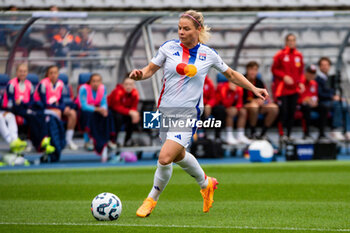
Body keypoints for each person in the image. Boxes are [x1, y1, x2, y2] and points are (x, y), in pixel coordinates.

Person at [129, 10, 268, 218]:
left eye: (186, 29)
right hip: (166, 111)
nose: (181, 32)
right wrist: (140, 75)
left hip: (189, 113)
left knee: (165, 157)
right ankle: (206, 183)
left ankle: (151, 200)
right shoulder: (168, 48)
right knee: (178, 155)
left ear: (198, 30)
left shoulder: (208, 54)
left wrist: (253, 89)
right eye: (179, 28)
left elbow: (230, 74)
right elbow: (149, 70)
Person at [2, 63, 56, 157]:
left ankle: (44, 140)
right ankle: (39, 144)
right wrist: (23, 103)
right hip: (13, 109)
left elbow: (31, 101)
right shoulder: (11, 84)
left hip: (25, 107)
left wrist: (22, 102)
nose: (22, 73)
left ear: (27, 73)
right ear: (16, 72)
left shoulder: (29, 85)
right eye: (20, 71)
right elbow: (12, 103)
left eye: (24, 71)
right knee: (32, 116)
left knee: (41, 115)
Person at [34, 65, 78, 150]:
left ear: (58, 74)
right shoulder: (43, 84)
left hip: (55, 107)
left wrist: (65, 107)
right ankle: (57, 139)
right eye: (51, 73)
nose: (53, 75)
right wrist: (60, 108)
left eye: (55, 73)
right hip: (42, 108)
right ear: (47, 74)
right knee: (57, 112)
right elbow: (44, 103)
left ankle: (69, 140)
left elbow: (60, 100)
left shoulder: (60, 84)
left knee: (72, 113)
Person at [271, 33, 305, 141]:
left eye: (293, 40)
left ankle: (289, 135)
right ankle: (281, 134)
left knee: (292, 112)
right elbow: (274, 69)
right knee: (283, 111)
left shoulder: (299, 55)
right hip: (282, 90)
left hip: (294, 89)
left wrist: (300, 82)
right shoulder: (279, 55)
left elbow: (301, 72)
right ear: (286, 42)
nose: (291, 42)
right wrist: (284, 76)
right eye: (289, 40)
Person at [77, 73, 115, 162]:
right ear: (90, 82)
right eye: (93, 81)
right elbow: (83, 105)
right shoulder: (83, 89)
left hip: (96, 110)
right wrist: (98, 109)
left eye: (98, 81)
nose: (95, 83)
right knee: (89, 115)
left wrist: (104, 110)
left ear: (101, 82)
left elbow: (104, 103)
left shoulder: (103, 88)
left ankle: (107, 139)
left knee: (108, 114)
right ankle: (87, 141)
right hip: (84, 111)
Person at [316, 57, 350, 141]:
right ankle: (336, 129)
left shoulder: (331, 78)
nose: (325, 67)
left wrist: (340, 97)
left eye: (327, 65)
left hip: (332, 100)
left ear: (330, 66)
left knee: (346, 105)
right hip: (323, 101)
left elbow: (335, 91)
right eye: (323, 65)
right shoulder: (317, 79)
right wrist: (332, 97)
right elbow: (319, 93)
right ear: (319, 67)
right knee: (337, 105)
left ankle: (347, 130)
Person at [243, 61, 279, 139]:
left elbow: (265, 97)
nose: (253, 72)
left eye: (255, 70)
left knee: (274, 108)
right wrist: (252, 101)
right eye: (251, 69)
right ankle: (252, 132)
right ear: (247, 70)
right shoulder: (242, 80)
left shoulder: (259, 82)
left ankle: (263, 133)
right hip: (245, 105)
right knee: (254, 106)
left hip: (259, 105)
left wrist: (263, 101)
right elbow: (239, 98)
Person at [108, 76, 140, 147]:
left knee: (132, 118)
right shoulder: (117, 92)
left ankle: (127, 140)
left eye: (130, 84)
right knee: (118, 118)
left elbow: (134, 108)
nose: (128, 86)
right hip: (112, 111)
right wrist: (130, 112)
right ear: (123, 85)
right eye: (126, 84)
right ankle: (113, 140)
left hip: (124, 112)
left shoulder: (135, 93)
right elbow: (116, 107)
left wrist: (134, 114)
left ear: (134, 85)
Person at [299, 64, 328, 140]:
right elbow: (297, 97)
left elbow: (315, 96)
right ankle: (306, 133)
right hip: (301, 104)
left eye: (313, 73)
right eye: (310, 73)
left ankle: (321, 133)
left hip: (312, 104)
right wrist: (305, 100)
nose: (311, 75)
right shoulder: (300, 82)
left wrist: (315, 101)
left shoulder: (314, 83)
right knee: (306, 108)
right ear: (306, 73)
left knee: (324, 108)